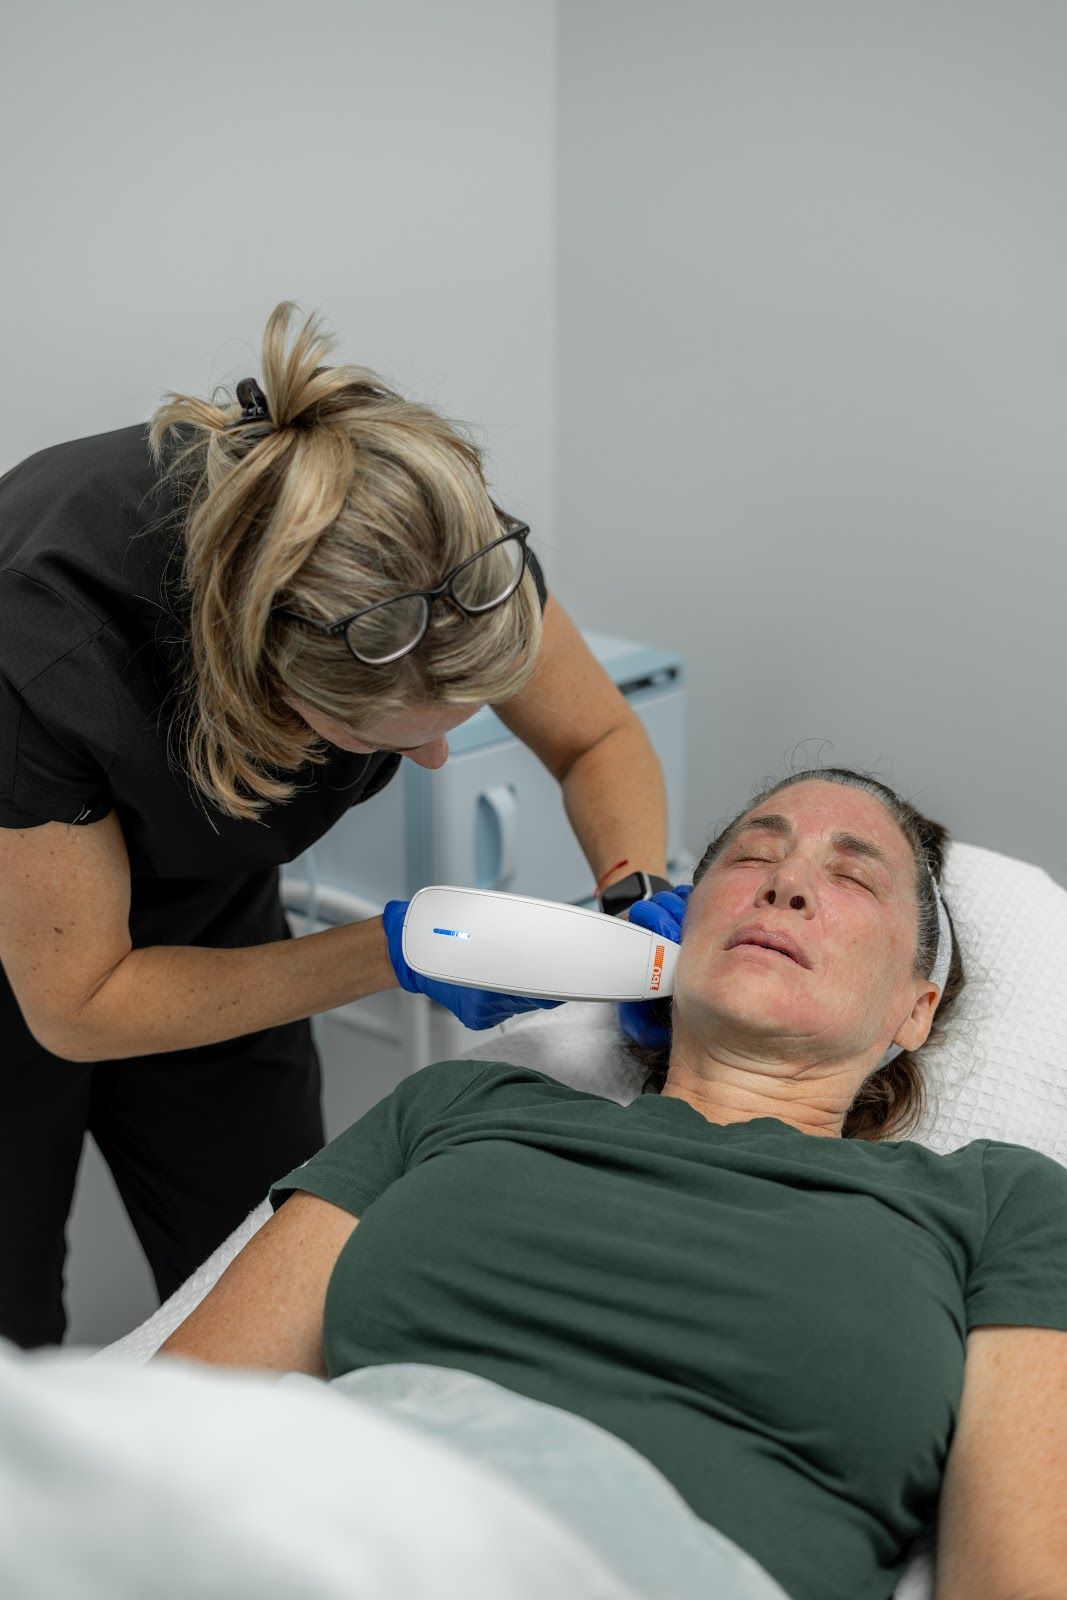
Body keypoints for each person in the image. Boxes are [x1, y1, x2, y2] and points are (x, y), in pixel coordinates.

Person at [159, 768, 1067, 1600]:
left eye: (852, 878)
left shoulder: (998, 1204)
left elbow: (1015, 1581)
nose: (784, 884)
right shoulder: (458, 1106)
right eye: (752, 855)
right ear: (674, 936)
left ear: (915, 1007)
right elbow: (162, 1422)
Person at [0, 302, 671, 1350]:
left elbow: (596, 741)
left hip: (205, 912)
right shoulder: (51, 643)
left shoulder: (437, 556)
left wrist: (631, 884)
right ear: (259, 681)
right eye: (398, 739)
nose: (439, 755)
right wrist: (393, 949)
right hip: (21, 941)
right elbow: (79, 1004)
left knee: (263, 1272)